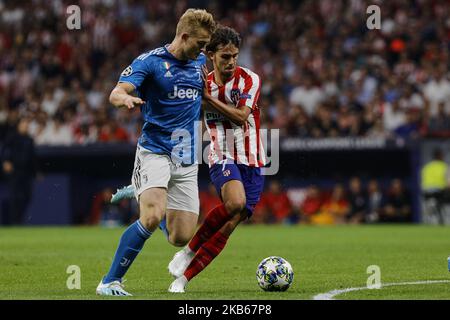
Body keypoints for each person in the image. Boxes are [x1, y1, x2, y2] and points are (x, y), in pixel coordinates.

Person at [96, 8, 216, 296]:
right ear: (184, 36)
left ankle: (141, 189)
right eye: (200, 44)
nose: (203, 51)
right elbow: (116, 92)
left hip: (186, 157)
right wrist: (125, 98)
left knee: (180, 237)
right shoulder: (149, 62)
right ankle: (110, 281)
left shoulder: (200, 63)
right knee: (150, 217)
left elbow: (205, 101)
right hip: (155, 150)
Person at [167, 25, 267, 293]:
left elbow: (241, 116)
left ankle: (183, 279)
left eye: (234, 55)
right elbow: (183, 114)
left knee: (229, 225)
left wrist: (206, 99)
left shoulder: (249, 80)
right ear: (211, 55)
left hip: (254, 161)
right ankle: (188, 250)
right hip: (221, 155)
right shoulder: (202, 85)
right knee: (235, 202)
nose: (231, 61)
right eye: (225, 56)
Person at [1, 118, 37, 225]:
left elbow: (33, 157)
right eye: (24, 124)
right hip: (14, 171)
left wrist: (37, 172)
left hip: (26, 172)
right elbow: (4, 150)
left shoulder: (29, 139)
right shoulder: (12, 137)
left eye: (27, 124)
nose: (26, 126)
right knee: (14, 197)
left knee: (27, 196)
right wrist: (5, 161)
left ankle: (19, 219)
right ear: (19, 125)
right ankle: (14, 221)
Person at [421, 148, 450, 224]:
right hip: (439, 193)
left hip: (426, 194)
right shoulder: (444, 166)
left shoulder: (426, 167)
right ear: (440, 156)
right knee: (445, 201)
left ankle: (432, 212)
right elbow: (448, 183)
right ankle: (444, 217)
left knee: (431, 206)